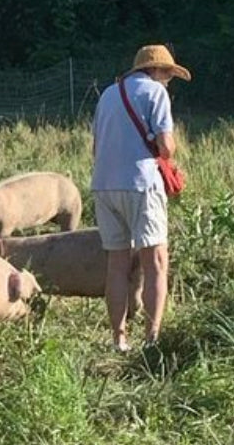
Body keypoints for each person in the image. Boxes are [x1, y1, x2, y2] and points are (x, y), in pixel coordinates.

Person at [91, 44, 191, 352]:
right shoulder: (156, 94)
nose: (168, 81)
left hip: (104, 185)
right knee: (155, 262)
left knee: (117, 264)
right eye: (168, 74)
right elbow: (165, 146)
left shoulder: (108, 94)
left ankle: (118, 338)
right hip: (141, 184)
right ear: (157, 70)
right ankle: (152, 338)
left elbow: (95, 146)